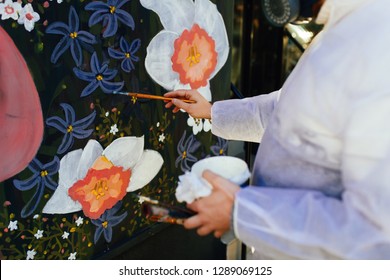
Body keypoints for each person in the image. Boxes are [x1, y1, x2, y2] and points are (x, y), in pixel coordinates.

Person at [164, 0, 390, 259]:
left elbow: (375, 237)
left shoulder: (379, 44)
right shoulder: (350, 26)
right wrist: (212, 111)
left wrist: (242, 212)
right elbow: (288, 111)